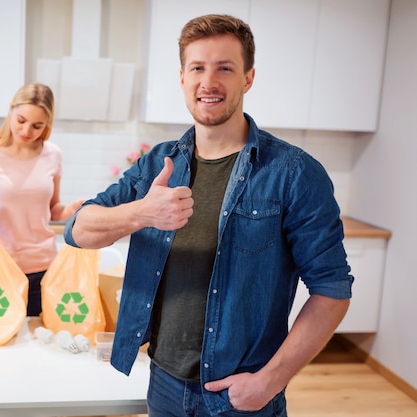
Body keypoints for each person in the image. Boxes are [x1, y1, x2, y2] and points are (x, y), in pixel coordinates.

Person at [64, 14, 353, 417]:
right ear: (182, 77)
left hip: (242, 394)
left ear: (248, 78)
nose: (209, 81)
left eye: (225, 68)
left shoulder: (294, 173)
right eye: (198, 67)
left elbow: (332, 289)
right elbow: (77, 230)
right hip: (163, 384)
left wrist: (269, 382)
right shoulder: (156, 165)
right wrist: (141, 212)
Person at [0, 82, 83, 317]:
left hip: (43, 267)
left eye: (37, 126)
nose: (27, 131)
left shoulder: (53, 154)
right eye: (21, 120)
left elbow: (53, 211)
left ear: (48, 124)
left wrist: (70, 209)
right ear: (10, 110)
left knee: (39, 341)